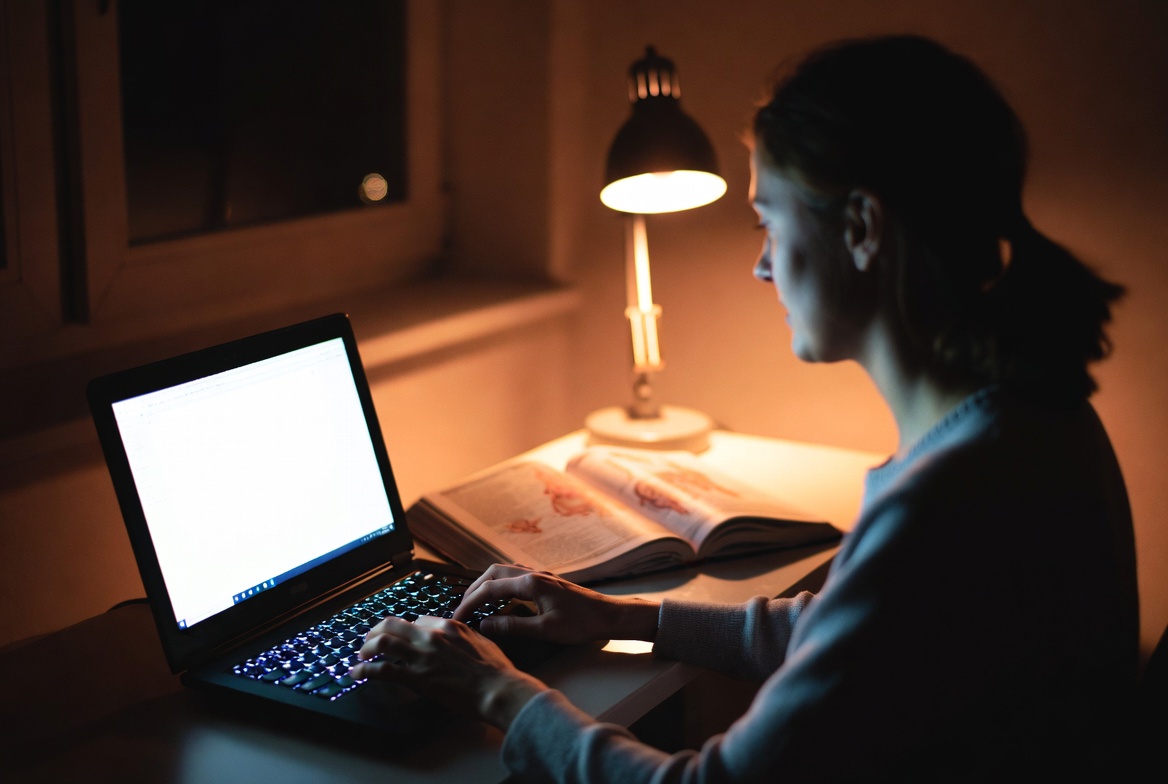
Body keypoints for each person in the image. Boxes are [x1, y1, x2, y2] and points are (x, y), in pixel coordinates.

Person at [351, 35, 1138, 781]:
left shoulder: (945, 503)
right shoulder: (1033, 418)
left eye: (769, 220)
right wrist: (617, 617)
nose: (761, 265)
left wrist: (496, 692)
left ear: (863, 227)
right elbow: (847, 632)